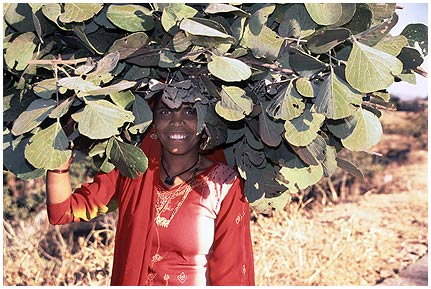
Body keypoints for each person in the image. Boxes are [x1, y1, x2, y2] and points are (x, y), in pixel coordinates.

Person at [45, 94, 255, 286]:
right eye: (165, 112)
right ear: (153, 121)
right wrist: (59, 145)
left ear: (205, 120)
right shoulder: (133, 172)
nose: (176, 121)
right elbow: (62, 211)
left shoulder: (223, 184)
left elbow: (231, 274)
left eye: (190, 111)